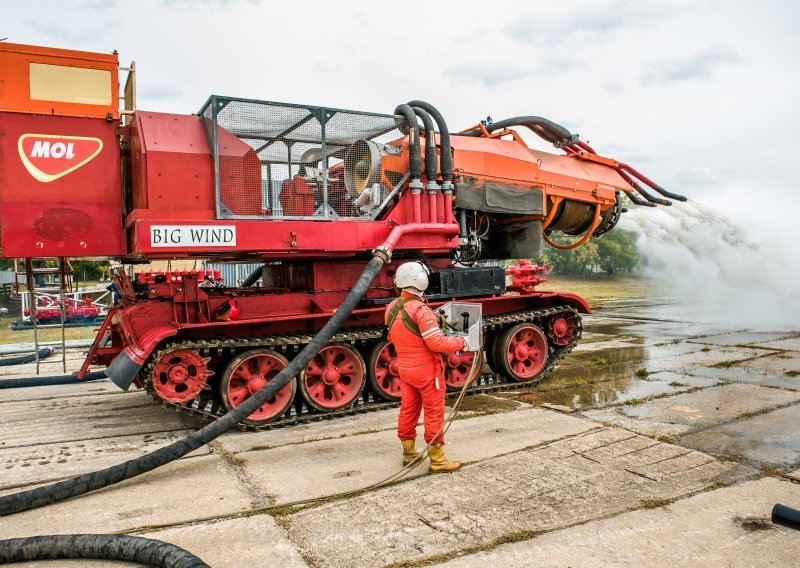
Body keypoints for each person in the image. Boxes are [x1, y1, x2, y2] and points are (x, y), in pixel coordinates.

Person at [386, 261, 470, 474]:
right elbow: (437, 344)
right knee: (433, 413)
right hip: (427, 372)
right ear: (420, 280)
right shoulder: (421, 311)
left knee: (408, 410)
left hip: (405, 370)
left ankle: (408, 453)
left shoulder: (391, 307)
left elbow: (392, 336)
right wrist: (462, 342)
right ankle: (438, 461)